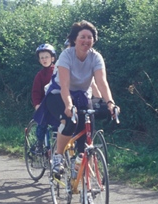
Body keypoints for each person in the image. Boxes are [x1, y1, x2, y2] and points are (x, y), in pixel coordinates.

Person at [34, 20, 119, 173]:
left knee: (87, 136)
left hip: (81, 96)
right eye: (83, 37)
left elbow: (101, 82)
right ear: (74, 39)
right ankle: (58, 156)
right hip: (58, 94)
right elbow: (65, 86)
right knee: (69, 121)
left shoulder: (96, 57)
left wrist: (110, 103)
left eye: (90, 37)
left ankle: (79, 169)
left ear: (94, 40)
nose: (86, 40)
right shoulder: (66, 55)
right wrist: (68, 105)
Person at [31, 44, 56, 152]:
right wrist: (37, 105)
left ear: (52, 58)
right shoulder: (39, 75)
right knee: (42, 123)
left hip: (58, 103)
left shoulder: (58, 71)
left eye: (46, 57)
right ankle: (40, 144)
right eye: (42, 58)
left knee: (60, 127)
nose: (44, 60)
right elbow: (36, 92)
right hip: (44, 104)